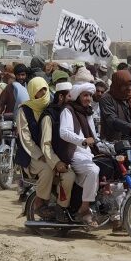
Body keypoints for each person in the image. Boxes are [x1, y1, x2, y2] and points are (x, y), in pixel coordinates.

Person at [60, 82, 102, 227]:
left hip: (89, 153)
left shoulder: (88, 112)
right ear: (78, 96)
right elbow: (64, 132)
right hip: (74, 153)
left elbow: (94, 137)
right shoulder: (68, 110)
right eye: (85, 95)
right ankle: (84, 209)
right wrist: (82, 141)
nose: (88, 98)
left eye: (90, 95)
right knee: (93, 170)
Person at [15, 77, 55, 218]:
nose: (43, 92)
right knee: (47, 170)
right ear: (33, 92)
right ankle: (39, 203)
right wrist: (39, 154)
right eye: (39, 90)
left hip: (50, 151)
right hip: (31, 155)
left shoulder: (51, 106)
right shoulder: (24, 110)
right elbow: (25, 137)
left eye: (45, 89)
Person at [37, 81, 76, 221]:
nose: (73, 99)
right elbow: (46, 145)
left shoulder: (71, 113)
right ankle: (61, 207)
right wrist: (56, 162)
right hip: (54, 160)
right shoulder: (49, 116)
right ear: (61, 97)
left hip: (69, 157)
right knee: (69, 177)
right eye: (70, 96)